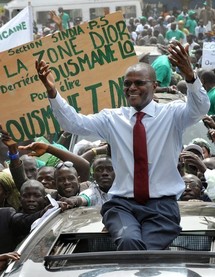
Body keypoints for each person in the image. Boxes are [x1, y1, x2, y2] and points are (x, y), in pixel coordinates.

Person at [35, 40, 210, 251]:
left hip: (162, 207)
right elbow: (73, 123)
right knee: (128, 242)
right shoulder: (113, 118)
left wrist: (190, 76)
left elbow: (200, 108)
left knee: (149, 252)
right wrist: (53, 92)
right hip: (122, 206)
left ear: (154, 86)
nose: (132, 88)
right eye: (127, 84)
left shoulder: (172, 114)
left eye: (139, 83)